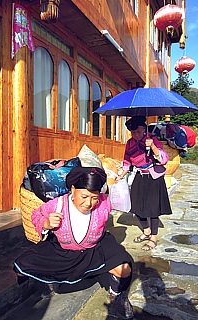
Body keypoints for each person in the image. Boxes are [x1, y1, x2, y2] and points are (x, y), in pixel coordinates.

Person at [14, 166, 134, 319]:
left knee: (124, 268)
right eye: (84, 196)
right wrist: (45, 224)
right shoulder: (57, 205)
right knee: (21, 265)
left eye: (94, 197)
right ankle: (66, 278)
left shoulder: (104, 202)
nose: (88, 203)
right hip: (64, 251)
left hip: (94, 248)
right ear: (72, 189)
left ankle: (116, 295)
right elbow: (36, 215)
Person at [116, 116, 172, 251]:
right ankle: (146, 231)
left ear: (144, 129)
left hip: (154, 177)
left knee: (152, 208)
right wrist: (121, 176)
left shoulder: (152, 140)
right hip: (140, 176)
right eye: (133, 133)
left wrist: (152, 146)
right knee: (135, 206)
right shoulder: (130, 143)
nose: (136, 135)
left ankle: (153, 237)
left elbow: (164, 159)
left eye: (138, 132)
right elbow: (127, 161)